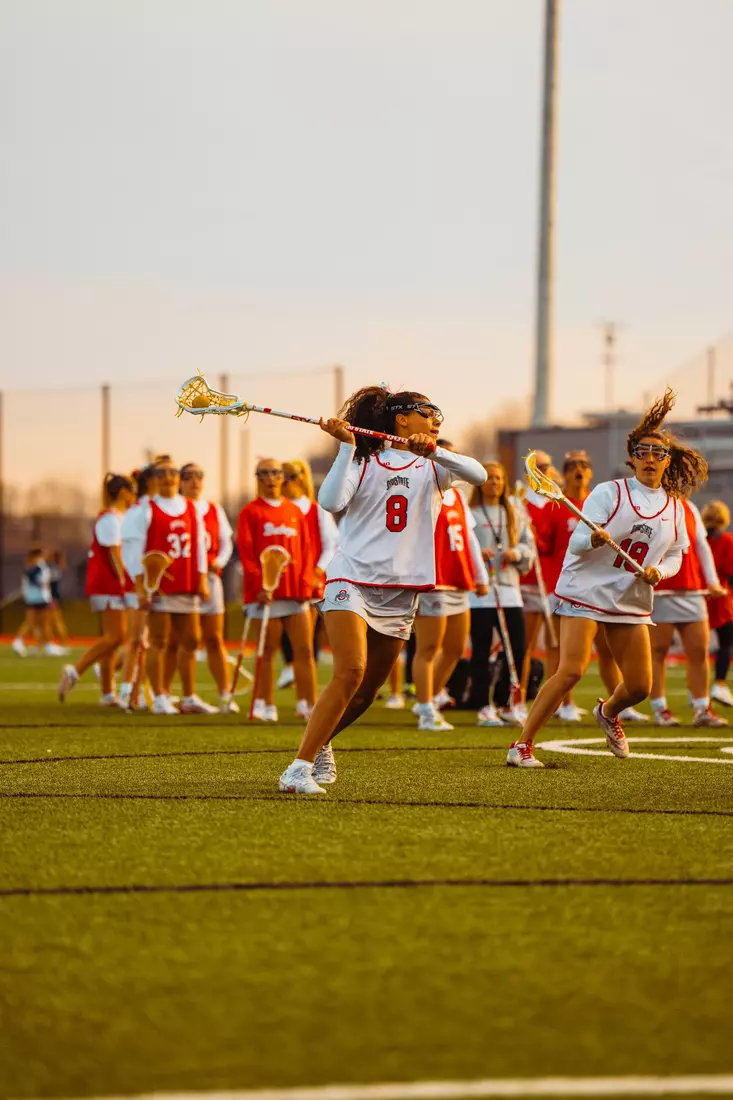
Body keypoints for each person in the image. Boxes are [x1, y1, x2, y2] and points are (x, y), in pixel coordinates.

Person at [278, 386, 486, 795]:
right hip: (351, 578)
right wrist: (346, 448)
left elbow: (477, 474)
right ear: (401, 419)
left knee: (366, 692)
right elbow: (330, 500)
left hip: (400, 590)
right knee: (350, 671)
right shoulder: (364, 459)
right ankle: (297, 769)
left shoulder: (436, 466)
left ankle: (320, 742)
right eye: (428, 411)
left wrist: (435, 450)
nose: (436, 418)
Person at [507, 389, 706, 768]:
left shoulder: (675, 508)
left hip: (629, 596)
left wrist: (658, 571)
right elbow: (578, 543)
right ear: (632, 457)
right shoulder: (609, 492)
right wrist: (592, 538)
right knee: (571, 670)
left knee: (639, 688)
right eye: (643, 452)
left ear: (668, 460)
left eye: (658, 453)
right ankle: (522, 745)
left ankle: (608, 711)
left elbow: (678, 553)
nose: (650, 458)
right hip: (585, 589)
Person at [122, 456, 214, 715]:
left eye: (172, 472)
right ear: (152, 479)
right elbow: (133, 548)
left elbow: (198, 546)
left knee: (192, 640)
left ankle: (188, 696)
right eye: (161, 473)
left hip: (186, 581)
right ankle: (160, 694)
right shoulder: (146, 509)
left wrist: (202, 577)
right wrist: (141, 585)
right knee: (159, 641)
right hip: (159, 585)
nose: (168, 476)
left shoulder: (190, 507)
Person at [412, 440, 489, 731]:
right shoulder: (421, 493)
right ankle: (426, 709)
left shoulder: (456, 496)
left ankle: (428, 698)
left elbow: (469, 539)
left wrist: (479, 575)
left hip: (457, 578)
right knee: (429, 648)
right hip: (434, 578)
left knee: (456, 648)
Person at [236, 458, 316, 722]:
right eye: (265, 473)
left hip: (295, 592)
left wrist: (306, 583)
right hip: (266, 594)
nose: (271, 478)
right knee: (267, 650)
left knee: (303, 650)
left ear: (284, 478)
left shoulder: (295, 511)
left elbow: (306, 551)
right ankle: (266, 703)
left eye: (276, 473)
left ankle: (308, 703)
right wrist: (260, 584)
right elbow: (247, 554)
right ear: (257, 477)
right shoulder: (250, 512)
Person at [58, 474, 137, 704]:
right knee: (117, 636)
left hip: (110, 584)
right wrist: (125, 581)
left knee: (113, 640)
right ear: (123, 492)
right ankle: (75, 671)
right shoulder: (111, 519)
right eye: (131, 491)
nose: (134, 496)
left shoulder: (117, 517)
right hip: (108, 584)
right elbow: (114, 554)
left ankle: (107, 693)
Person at [648, 496, 726, 728]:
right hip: (660, 590)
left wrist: (712, 582)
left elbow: (701, 546)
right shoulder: (645, 506)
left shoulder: (689, 506)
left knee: (699, 652)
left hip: (691, 590)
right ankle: (660, 709)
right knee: (658, 652)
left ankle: (702, 708)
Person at [467, 461, 532, 726]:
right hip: (480, 590)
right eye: (490, 478)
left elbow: (529, 547)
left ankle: (507, 702)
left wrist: (516, 553)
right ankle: (483, 703)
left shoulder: (514, 511)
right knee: (481, 649)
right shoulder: (471, 512)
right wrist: (477, 555)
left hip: (509, 587)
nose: (495, 482)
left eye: (499, 478)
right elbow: (462, 546)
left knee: (516, 648)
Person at [277, 457, 340, 703]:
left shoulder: (314, 509)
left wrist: (317, 571)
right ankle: (270, 696)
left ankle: (307, 698)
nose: (282, 483)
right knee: (277, 639)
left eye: (288, 477)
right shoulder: (276, 508)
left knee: (306, 640)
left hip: (307, 583)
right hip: (281, 582)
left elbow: (330, 544)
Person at [179, 463, 238, 713]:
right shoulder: (177, 508)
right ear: (180, 482)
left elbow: (226, 542)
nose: (195, 481)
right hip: (184, 581)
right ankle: (186, 695)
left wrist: (218, 562)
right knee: (185, 640)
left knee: (214, 638)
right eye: (189, 477)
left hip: (211, 580)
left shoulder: (214, 508)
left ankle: (225, 694)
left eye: (199, 476)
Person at [118, 464, 159, 710]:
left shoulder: (161, 508)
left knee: (154, 641)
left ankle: (147, 691)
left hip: (158, 583)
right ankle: (127, 690)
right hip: (142, 583)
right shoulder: (139, 511)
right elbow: (131, 552)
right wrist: (141, 583)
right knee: (137, 640)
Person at [702, 500, 733, 708]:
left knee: (698, 648)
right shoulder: (727, 540)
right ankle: (719, 684)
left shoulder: (700, 539)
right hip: (721, 597)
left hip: (700, 596)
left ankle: (698, 693)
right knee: (726, 644)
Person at [12, 548, 62, 657]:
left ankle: (48, 645)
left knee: (43, 623)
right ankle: (19, 641)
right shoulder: (36, 567)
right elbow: (37, 579)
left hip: (37, 598)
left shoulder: (38, 566)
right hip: (39, 598)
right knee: (32, 623)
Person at [48, 551, 70, 650]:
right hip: (53, 598)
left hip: (51, 598)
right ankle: (61, 642)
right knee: (53, 621)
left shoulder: (52, 569)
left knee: (56, 621)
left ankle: (63, 642)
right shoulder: (56, 569)